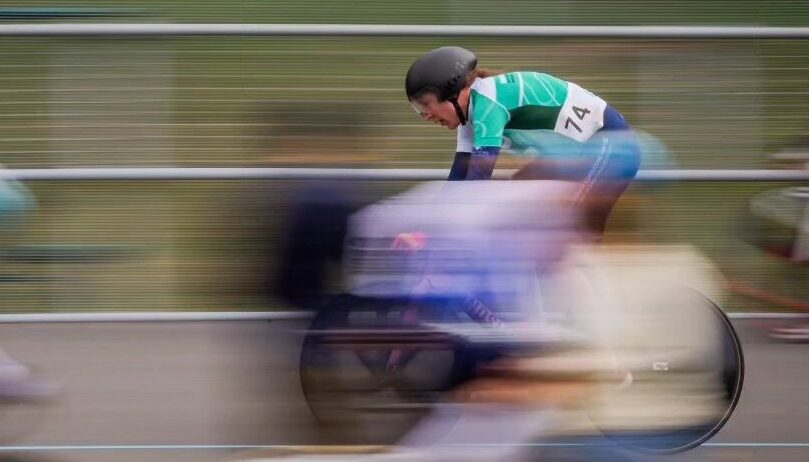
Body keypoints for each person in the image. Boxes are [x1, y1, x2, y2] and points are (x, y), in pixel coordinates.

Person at [405, 46, 642, 234]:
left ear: (454, 92)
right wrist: (425, 229)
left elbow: (478, 179)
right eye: (418, 109)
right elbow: (458, 180)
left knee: (568, 227)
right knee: (519, 212)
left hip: (612, 145)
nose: (426, 116)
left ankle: (580, 289)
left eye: (426, 105)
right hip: (580, 152)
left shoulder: (488, 103)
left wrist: (436, 231)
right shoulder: (471, 112)